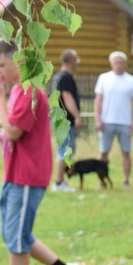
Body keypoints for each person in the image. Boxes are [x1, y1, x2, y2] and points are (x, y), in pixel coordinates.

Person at [0, 38, 86, 265]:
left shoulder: (29, 92)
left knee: (16, 238)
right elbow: (15, 131)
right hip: (15, 173)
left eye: (1, 65)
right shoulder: (18, 90)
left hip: (27, 175)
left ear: (18, 61)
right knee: (17, 235)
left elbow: (15, 131)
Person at [94, 51, 133, 188]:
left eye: (120, 63)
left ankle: (126, 180)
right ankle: (101, 180)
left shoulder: (132, 81)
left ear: (125, 64)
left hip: (125, 122)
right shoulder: (104, 78)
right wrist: (98, 119)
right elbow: (98, 100)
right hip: (107, 121)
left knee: (126, 151)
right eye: (115, 62)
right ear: (111, 64)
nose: (118, 65)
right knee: (103, 152)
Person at [52, 49, 83, 192]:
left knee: (65, 149)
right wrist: (77, 117)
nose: (77, 63)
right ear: (70, 61)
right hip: (65, 120)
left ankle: (60, 181)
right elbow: (67, 98)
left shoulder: (57, 76)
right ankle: (59, 182)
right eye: (76, 60)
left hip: (58, 119)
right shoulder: (66, 78)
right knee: (65, 150)